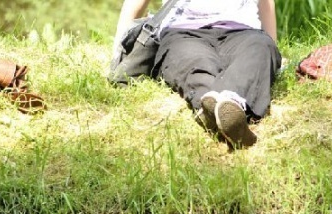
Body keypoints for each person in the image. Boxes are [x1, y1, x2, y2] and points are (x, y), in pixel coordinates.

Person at [112, 0, 282, 148]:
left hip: (244, 32)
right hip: (183, 32)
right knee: (196, 65)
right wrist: (118, 52)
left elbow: (265, 2)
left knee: (260, 47)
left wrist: (273, 50)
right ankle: (221, 108)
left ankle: (224, 105)